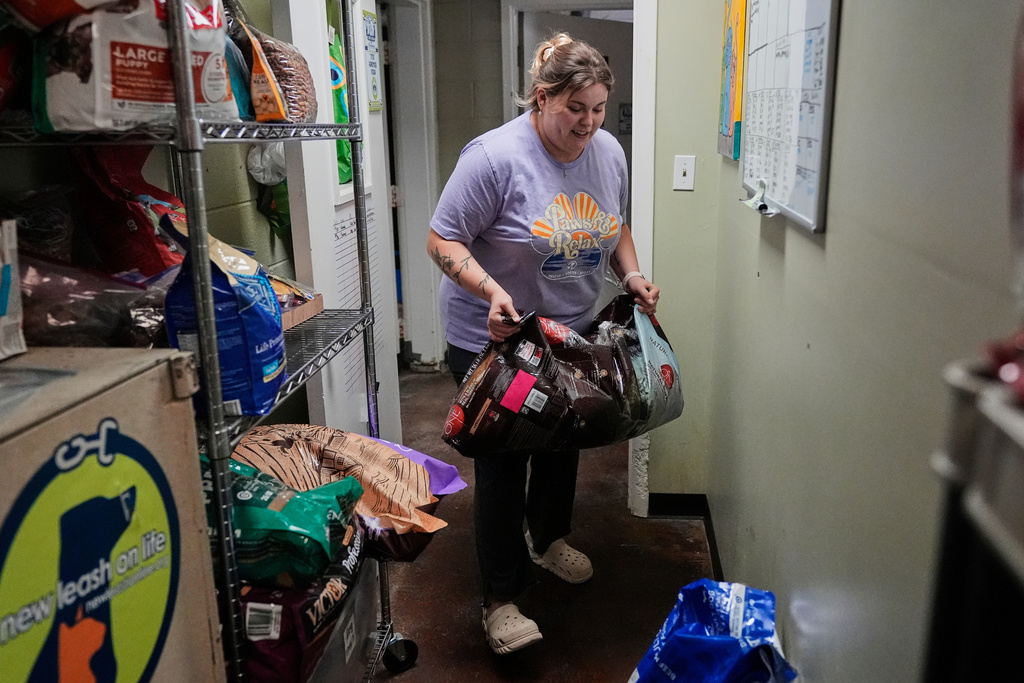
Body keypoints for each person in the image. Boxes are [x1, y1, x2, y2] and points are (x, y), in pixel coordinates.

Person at [427, 32, 660, 655]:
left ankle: (549, 538)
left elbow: (615, 224)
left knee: (565, 439)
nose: (588, 123)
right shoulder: (493, 158)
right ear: (541, 98)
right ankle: (501, 599)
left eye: (598, 109)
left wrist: (631, 274)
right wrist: (491, 293)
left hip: (571, 332)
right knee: (505, 461)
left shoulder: (608, 152)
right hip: (495, 336)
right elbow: (443, 240)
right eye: (574, 109)